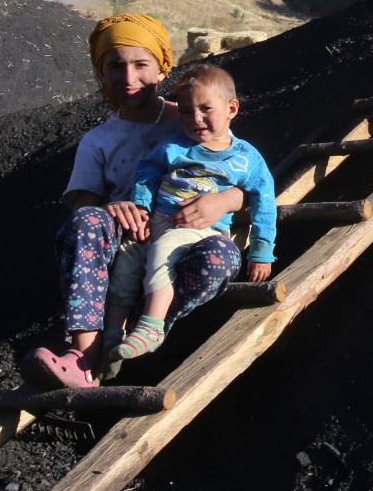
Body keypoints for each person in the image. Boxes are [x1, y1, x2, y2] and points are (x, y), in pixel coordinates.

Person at [28, 14, 246, 390]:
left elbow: (244, 179)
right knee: (87, 221)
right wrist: (111, 208)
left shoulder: (195, 118)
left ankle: (146, 328)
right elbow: (83, 208)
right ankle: (86, 356)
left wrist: (224, 200)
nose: (128, 77)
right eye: (115, 66)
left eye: (140, 64)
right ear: (102, 73)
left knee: (222, 256)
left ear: (162, 68)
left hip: (187, 240)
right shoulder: (98, 141)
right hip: (126, 244)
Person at [110, 63, 276, 363]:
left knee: (163, 252)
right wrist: (142, 206)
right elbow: (147, 171)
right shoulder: (175, 146)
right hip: (156, 222)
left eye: (205, 109)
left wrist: (261, 252)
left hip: (196, 231)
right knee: (126, 258)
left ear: (231, 109)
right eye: (186, 111)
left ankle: (151, 326)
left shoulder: (245, 158)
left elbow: (264, 202)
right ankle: (112, 334)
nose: (195, 118)